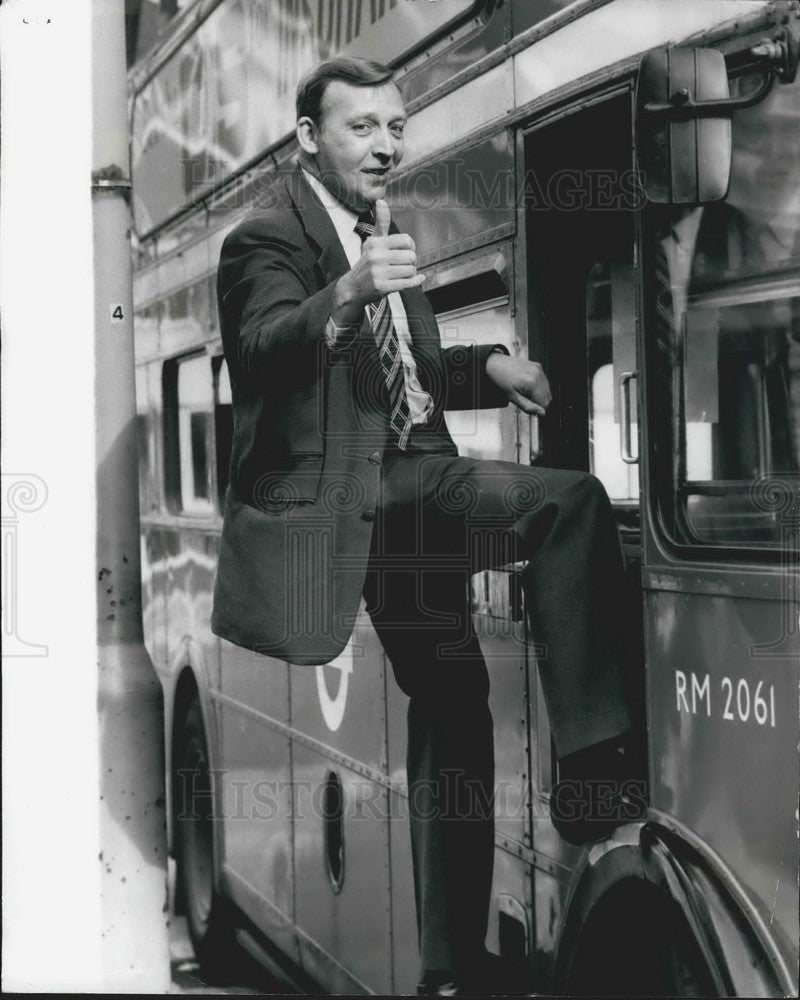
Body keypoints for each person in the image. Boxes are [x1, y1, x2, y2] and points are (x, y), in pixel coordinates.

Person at [212, 56, 642, 996]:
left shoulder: (379, 231)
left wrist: (485, 366)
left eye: (396, 126)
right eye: (362, 126)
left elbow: (386, 383)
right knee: (567, 503)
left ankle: (446, 968)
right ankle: (595, 768)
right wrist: (352, 291)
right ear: (307, 136)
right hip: (360, 497)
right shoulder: (268, 240)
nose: (386, 144)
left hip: (409, 484)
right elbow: (265, 353)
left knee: (454, 710)